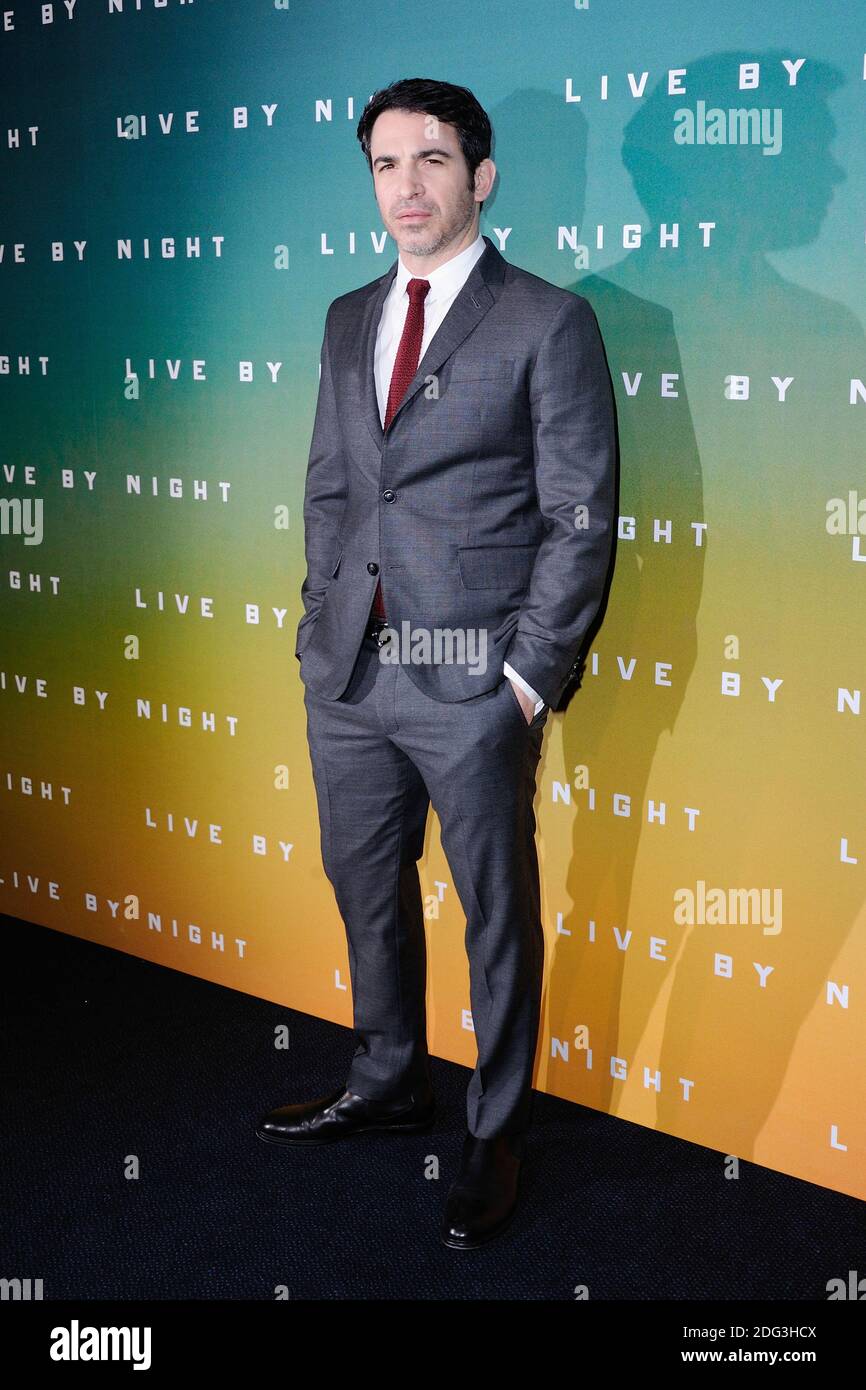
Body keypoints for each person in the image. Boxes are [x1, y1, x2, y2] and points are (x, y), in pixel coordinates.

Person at [257, 77, 617, 1249]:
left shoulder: (547, 322)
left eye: (429, 160)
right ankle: (385, 1074)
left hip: (473, 682)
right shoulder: (344, 314)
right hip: (349, 675)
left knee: (494, 913)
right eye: (383, 165)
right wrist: (320, 615)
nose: (404, 186)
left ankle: (496, 1126)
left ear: (481, 176)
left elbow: (577, 516)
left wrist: (525, 678)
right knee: (364, 889)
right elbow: (331, 484)